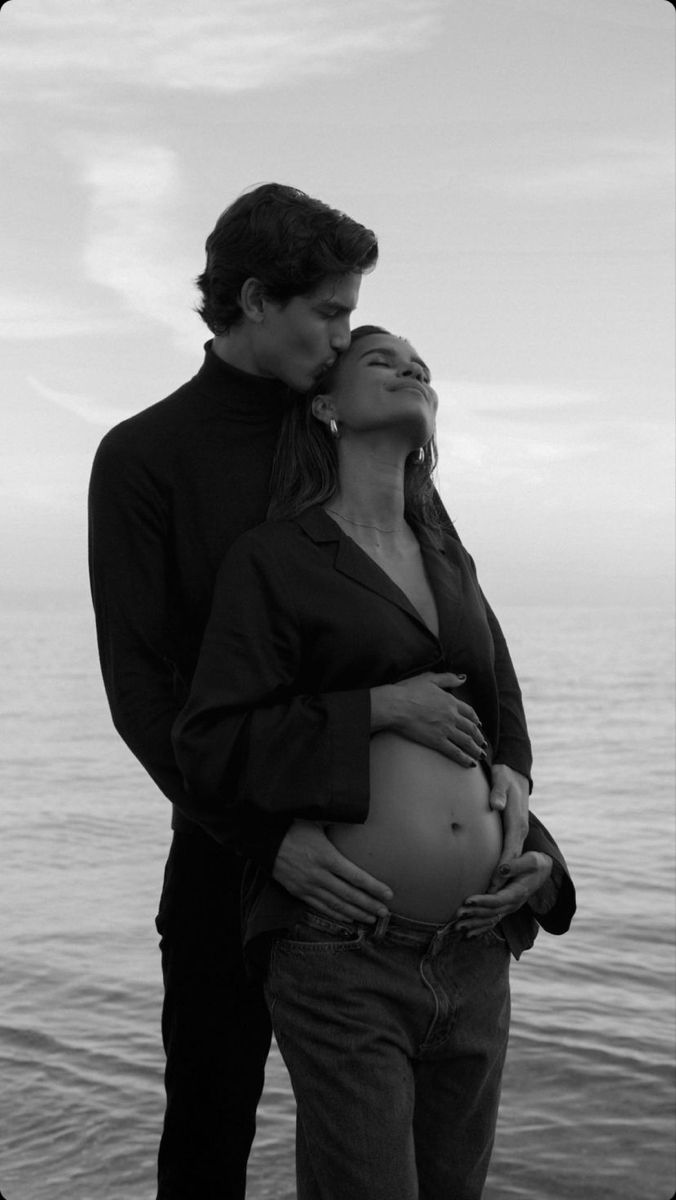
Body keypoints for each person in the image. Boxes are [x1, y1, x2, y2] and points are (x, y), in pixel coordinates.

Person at [88, 181, 563, 1198]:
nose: (346, 335)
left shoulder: (361, 445)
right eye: (330, 312)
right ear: (256, 299)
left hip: (408, 912)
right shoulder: (144, 458)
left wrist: (519, 795)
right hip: (232, 857)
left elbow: (472, 659)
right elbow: (144, 691)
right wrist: (267, 839)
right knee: (210, 1128)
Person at [172, 326, 576, 1200]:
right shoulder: (276, 558)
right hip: (342, 948)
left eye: (421, 364)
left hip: (475, 947)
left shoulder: (451, 561)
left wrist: (523, 822)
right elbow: (211, 740)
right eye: (379, 360)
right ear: (325, 406)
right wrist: (373, 710)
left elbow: (502, 716)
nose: (411, 368)